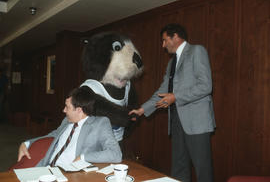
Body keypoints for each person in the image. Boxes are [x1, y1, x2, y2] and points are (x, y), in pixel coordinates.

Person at [129, 23, 216, 182]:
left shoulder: (197, 51)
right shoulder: (171, 63)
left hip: (196, 122)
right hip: (176, 121)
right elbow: (162, 91)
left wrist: (176, 97)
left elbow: (206, 86)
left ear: (175, 36)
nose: (163, 45)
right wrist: (142, 110)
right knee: (179, 168)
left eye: (164, 40)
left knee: (203, 171)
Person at [18, 87, 122, 167]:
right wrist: (27, 143)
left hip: (70, 175)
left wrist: (83, 157)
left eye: (67, 107)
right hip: (46, 169)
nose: (64, 110)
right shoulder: (66, 121)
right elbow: (53, 135)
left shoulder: (100, 124)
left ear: (79, 110)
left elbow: (116, 154)